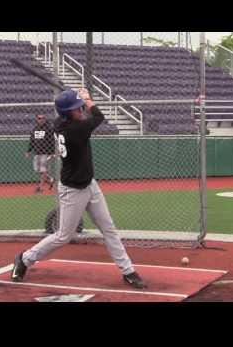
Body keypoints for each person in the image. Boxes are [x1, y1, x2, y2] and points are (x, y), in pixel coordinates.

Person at [11, 88, 147, 289]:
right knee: (63, 236)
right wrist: (88, 99)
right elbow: (99, 116)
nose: (81, 110)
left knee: (108, 228)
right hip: (72, 190)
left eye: (80, 107)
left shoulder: (60, 124)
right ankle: (25, 259)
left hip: (89, 184)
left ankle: (128, 271)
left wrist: (75, 99)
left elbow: (76, 113)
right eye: (76, 109)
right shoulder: (77, 130)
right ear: (68, 113)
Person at [26, 114, 55, 193]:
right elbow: (32, 141)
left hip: (45, 153)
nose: (41, 120)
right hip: (37, 153)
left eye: (42, 118)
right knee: (38, 170)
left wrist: (52, 153)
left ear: (45, 119)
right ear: (37, 119)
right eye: (39, 118)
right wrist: (28, 151)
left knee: (43, 169)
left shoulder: (48, 129)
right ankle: (50, 179)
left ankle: (40, 187)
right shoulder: (35, 129)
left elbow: (52, 141)